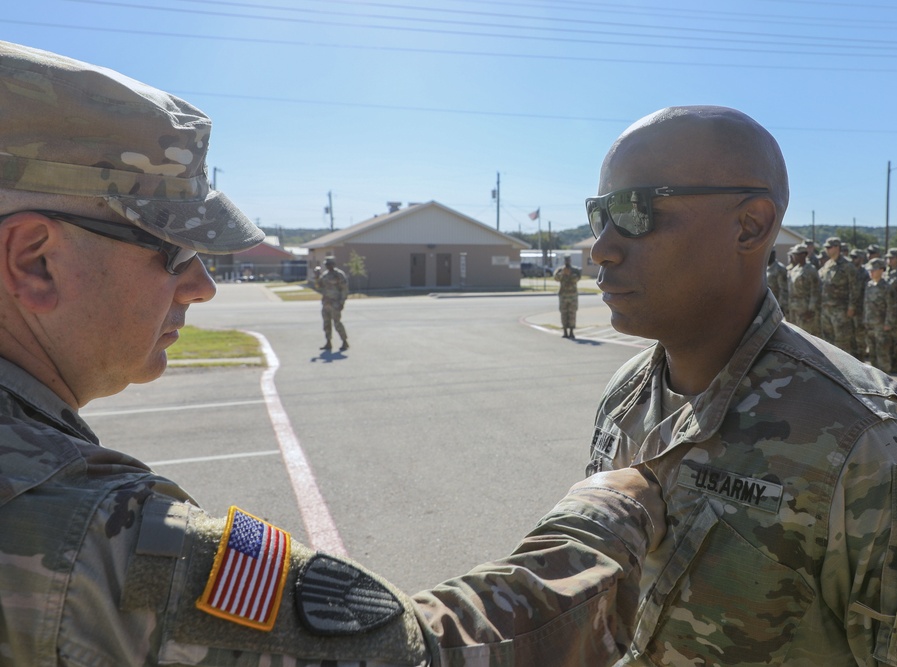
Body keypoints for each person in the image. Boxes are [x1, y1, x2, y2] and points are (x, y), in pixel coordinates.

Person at [0, 41, 670, 666]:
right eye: (172, 249)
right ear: (37, 262)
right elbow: (410, 652)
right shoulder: (90, 535)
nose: (202, 284)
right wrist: (606, 514)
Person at [585, 105, 897, 664]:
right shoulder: (626, 393)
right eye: (598, 215)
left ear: (750, 224)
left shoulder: (870, 443)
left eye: (635, 211)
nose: (601, 248)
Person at [817, 236, 858, 354]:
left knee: (842, 341)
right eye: (826, 247)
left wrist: (852, 307)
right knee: (828, 341)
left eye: (829, 247)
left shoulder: (847, 266)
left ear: (837, 247)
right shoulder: (827, 265)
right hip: (826, 309)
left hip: (841, 310)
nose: (827, 250)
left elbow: (854, 288)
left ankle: (845, 370)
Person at [862, 258, 897, 372]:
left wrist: (888, 323)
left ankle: (886, 381)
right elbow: (866, 305)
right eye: (870, 270)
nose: (871, 272)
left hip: (881, 326)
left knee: (882, 354)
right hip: (870, 325)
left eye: (874, 270)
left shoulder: (886, 287)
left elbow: (891, 307)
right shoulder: (869, 285)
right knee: (872, 354)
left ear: (882, 270)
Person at [315, 255, 349, 351]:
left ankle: (344, 341)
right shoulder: (325, 275)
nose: (328, 266)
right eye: (326, 264)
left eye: (329, 264)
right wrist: (317, 277)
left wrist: (342, 302)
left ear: (333, 264)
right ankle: (328, 342)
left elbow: (344, 289)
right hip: (326, 303)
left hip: (335, 303)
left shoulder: (339, 275)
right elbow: (318, 286)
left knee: (337, 323)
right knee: (326, 324)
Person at [786, 242, 820, 334]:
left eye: (796, 254)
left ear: (804, 255)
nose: (794, 257)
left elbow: (815, 290)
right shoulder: (794, 270)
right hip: (794, 308)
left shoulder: (810, 269)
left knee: (806, 335)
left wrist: (811, 309)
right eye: (793, 255)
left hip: (805, 309)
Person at [553, 254, 582, 338]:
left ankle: (571, 332)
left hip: (572, 295)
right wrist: (562, 274)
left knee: (572, 313)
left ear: (570, 260)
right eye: (566, 260)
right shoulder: (560, 270)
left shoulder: (575, 270)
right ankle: (565, 331)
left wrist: (570, 274)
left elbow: (578, 278)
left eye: (568, 260)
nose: (567, 262)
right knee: (564, 313)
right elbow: (555, 278)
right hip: (563, 295)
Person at [765, 247, 788, 313]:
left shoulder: (779, 269)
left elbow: (783, 289)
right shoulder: (766, 268)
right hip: (768, 303)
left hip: (776, 305)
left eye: (768, 254)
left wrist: (781, 306)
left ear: (773, 254)